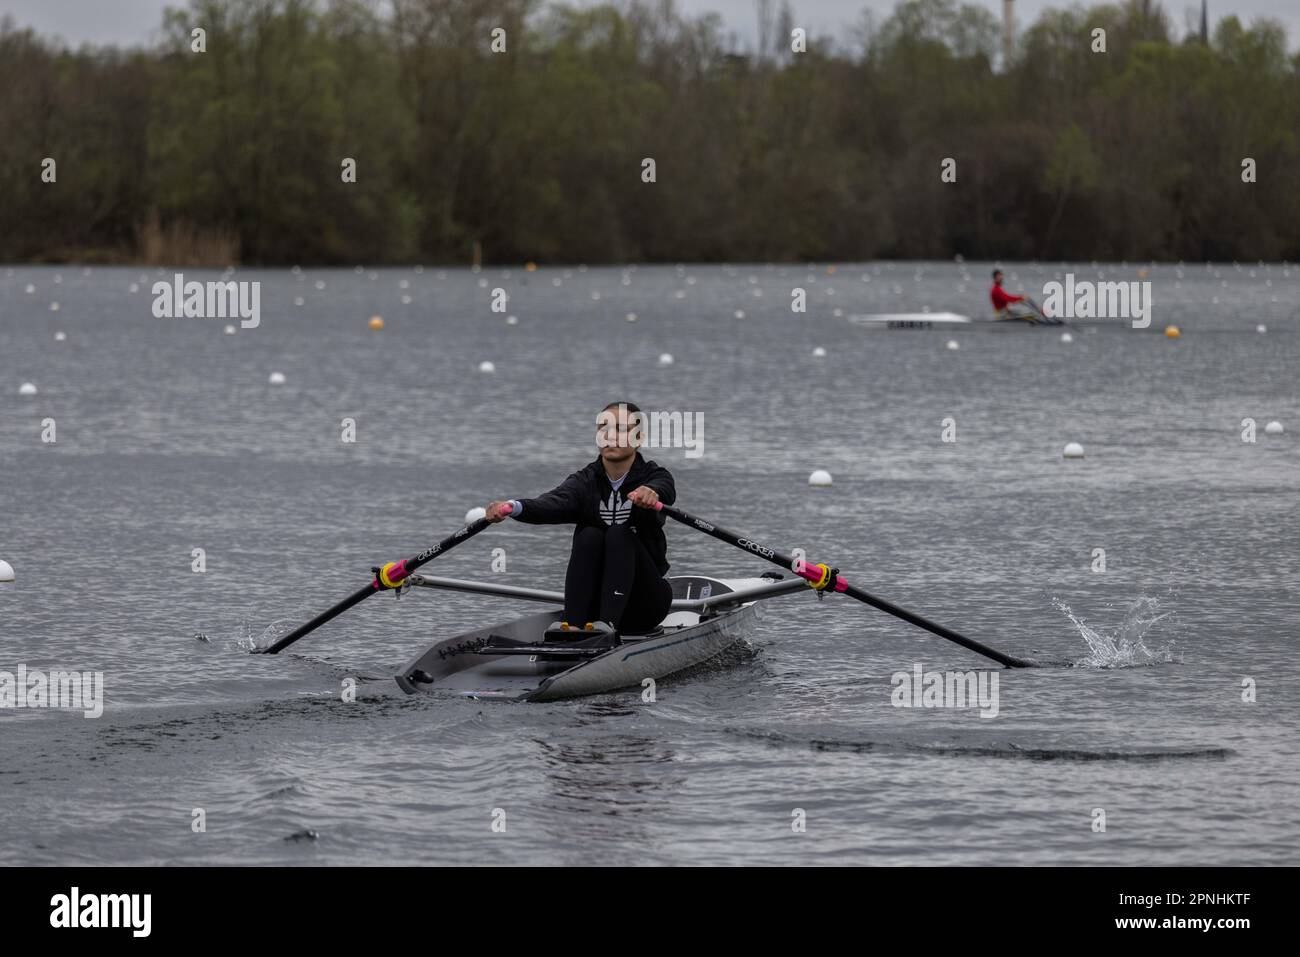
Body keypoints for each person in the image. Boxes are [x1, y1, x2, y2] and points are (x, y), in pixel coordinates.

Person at [485, 401, 675, 639]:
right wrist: (512, 507)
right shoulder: (585, 481)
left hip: (645, 604)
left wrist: (651, 493)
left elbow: (665, 488)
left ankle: (606, 625)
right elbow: (552, 503)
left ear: (638, 438)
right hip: (593, 606)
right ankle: (573, 625)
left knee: (618, 533)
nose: (610, 435)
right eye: (603, 428)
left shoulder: (654, 476)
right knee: (589, 535)